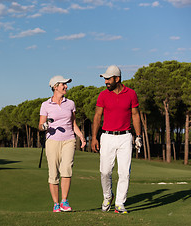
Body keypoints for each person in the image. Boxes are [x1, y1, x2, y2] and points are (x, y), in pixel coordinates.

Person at [91, 65, 142, 214]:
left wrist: (138, 136)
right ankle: (108, 196)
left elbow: (135, 115)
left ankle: (119, 203)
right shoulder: (103, 95)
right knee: (105, 172)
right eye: (105, 79)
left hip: (125, 137)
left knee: (124, 173)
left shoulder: (131, 94)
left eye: (108, 78)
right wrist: (94, 137)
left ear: (117, 79)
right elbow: (97, 117)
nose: (106, 81)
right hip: (106, 137)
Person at [39, 75, 86, 213]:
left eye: (66, 84)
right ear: (55, 87)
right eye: (63, 84)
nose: (66, 86)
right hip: (52, 141)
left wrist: (81, 136)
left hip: (69, 140)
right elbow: (40, 126)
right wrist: (45, 125)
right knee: (53, 173)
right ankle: (55, 204)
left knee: (66, 169)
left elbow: (73, 123)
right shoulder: (45, 105)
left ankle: (64, 201)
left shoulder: (70, 103)